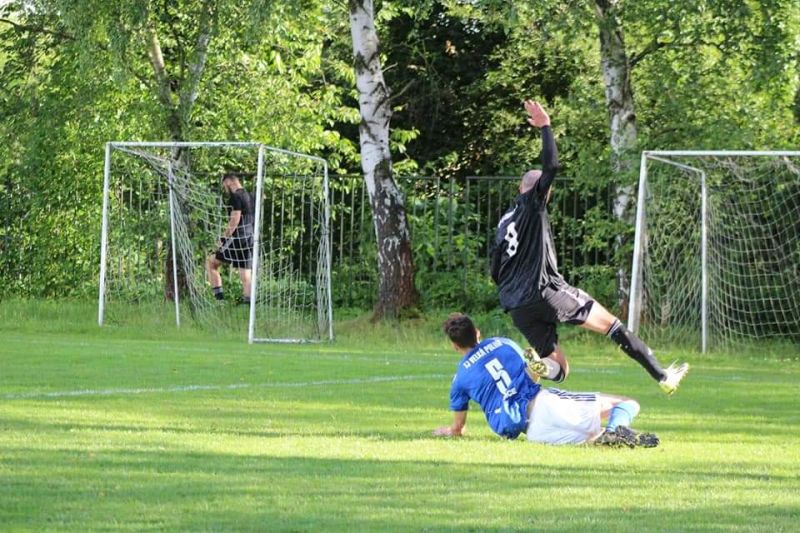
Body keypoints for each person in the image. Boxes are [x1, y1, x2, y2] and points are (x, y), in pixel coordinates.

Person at [489, 100, 688, 394]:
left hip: (517, 305)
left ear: (519, 188)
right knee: (613, 325)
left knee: (560, 368)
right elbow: (552, 166)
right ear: (544, 192)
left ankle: (538, 365)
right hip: (546, 291)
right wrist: (545, 126)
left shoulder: (504, 221)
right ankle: (662, 376)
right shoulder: (534, 204)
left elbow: (495, 269)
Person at [433, 313, 659, 447]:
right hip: (543, 403)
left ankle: (617, 435)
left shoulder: (459, 379)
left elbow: (458, 428)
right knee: (627, 404)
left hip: (531, 432)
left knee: (593, 437)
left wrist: (448, 431)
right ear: (478, 333)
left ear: (454, 345)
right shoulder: (503, 343)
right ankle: (617, 428)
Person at [206, 172, 255, 304]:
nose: (225, 189)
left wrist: (222, 239)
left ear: (228, 182)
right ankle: (248, 305)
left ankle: (219, 300)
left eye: (224, 186)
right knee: (246, 274)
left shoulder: (235, 197)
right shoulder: (251, 196)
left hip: (237, 238)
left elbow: (234, 221)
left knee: (211, 262)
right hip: (250, 238)